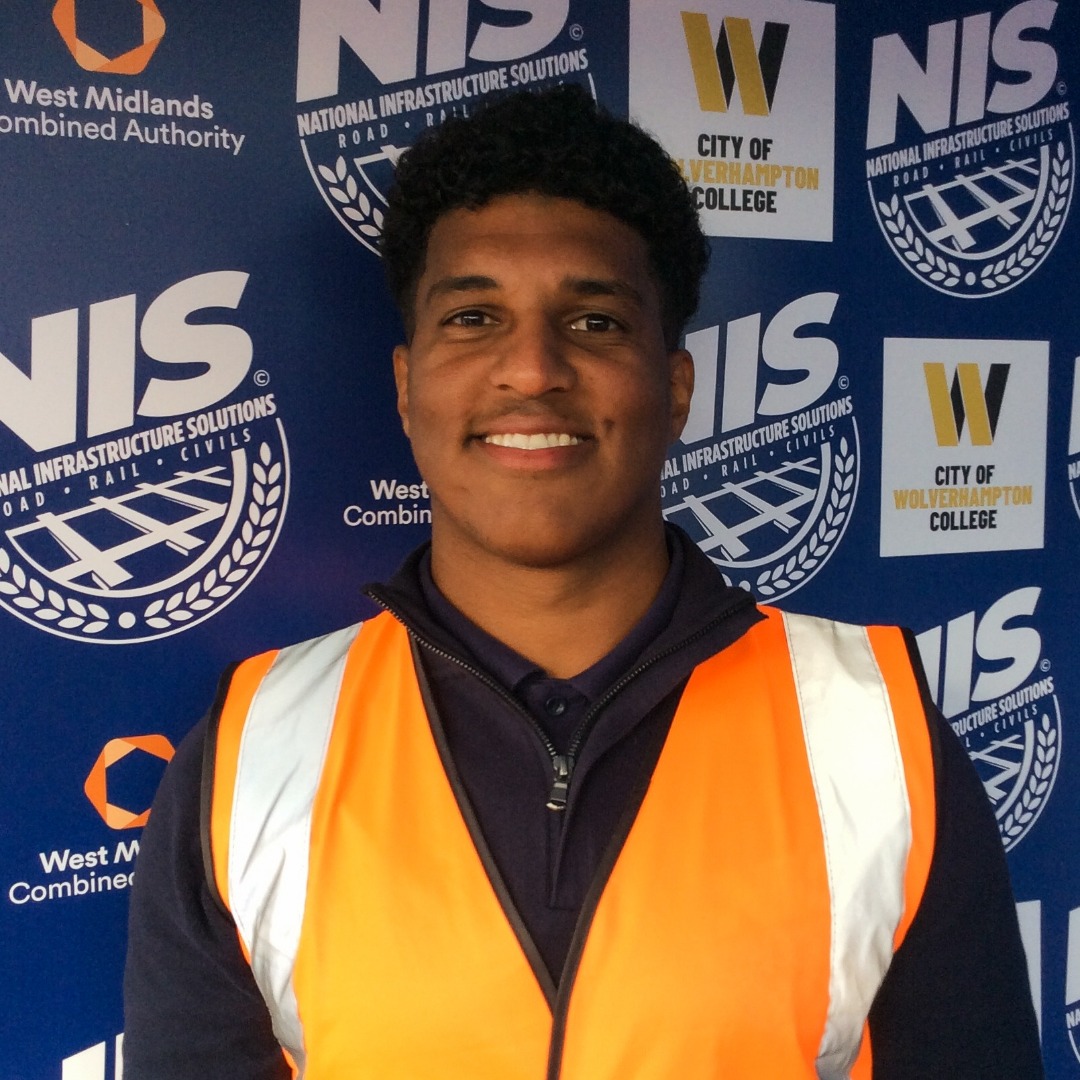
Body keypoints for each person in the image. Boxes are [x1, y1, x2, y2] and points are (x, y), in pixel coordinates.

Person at [123, 85, 1043, 1079]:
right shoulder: (254, 748)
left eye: (594, 322)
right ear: (405, 385)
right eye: (474, 316)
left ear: (676, 387)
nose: (531, 368)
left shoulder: (873, 729)